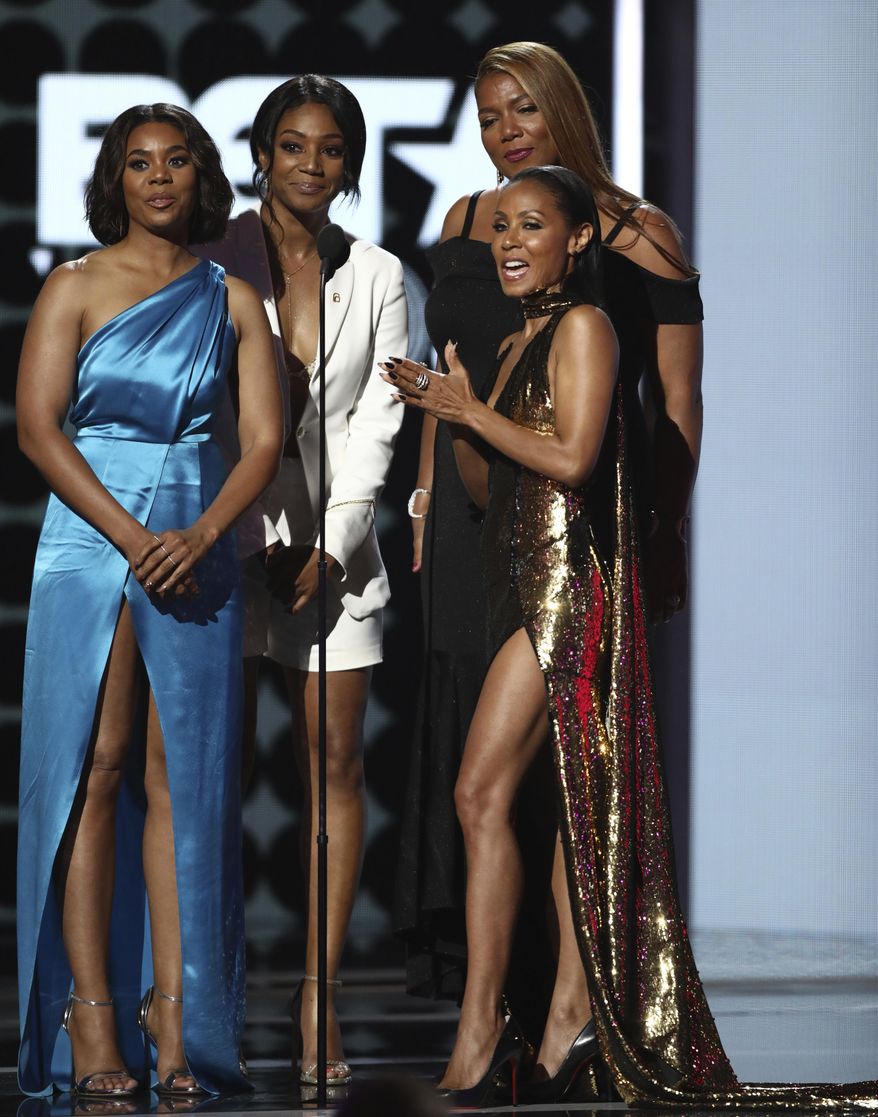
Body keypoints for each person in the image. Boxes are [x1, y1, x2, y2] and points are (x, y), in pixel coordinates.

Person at [384, 166, 877, 1109]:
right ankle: (569, 1018)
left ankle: (486, 1030)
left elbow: (574, 456)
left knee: (479, 790)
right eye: (500, 230)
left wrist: (471, 412)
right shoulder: (524, 334)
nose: (510, 242)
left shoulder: (586, 327)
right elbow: (496, 493)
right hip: (518, 586)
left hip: (571, 594)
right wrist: (454, 421)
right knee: (565, 809)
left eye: (532, 226)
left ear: (578, 241)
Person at [394, 39, 703, 1048]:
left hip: (577, 527)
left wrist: (661, 532)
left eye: (521, 110)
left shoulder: (631, 233)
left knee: (568, 771)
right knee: (479, 772)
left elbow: (677, 403)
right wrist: (431, 491)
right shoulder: (461, 223)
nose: (502, 133)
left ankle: (564, 1009)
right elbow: (455, 387)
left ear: (562, 109)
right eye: (486, 117)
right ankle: (509, 1003)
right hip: (470, 512)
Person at [15, 104, 282, 1098]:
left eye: (177, 162)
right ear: (114, 179)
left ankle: (182, 1029)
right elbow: (39, 430)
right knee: (99, 769)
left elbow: (260, 441)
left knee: (188, 787)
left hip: (195, 542)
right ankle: (91, 1024)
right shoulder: (73, 286)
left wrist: (202, 536)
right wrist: (131, 540)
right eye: (139, 163)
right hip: (90, 548)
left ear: (202, 175)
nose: (160, 179)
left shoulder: (233, 297)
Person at [196, 75, 407, 1086]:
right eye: (292, 146)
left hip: (337, 551)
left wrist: (332, 537)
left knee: (332, 766)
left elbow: (379, 418)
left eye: (330, 149)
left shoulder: (377, 274)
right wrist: (255, 534)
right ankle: (197, 984)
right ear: (262, 155)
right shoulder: (212, 260)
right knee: (204, 769)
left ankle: (317, 987)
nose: (310, 165)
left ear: (349, 166)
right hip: (231, 540)